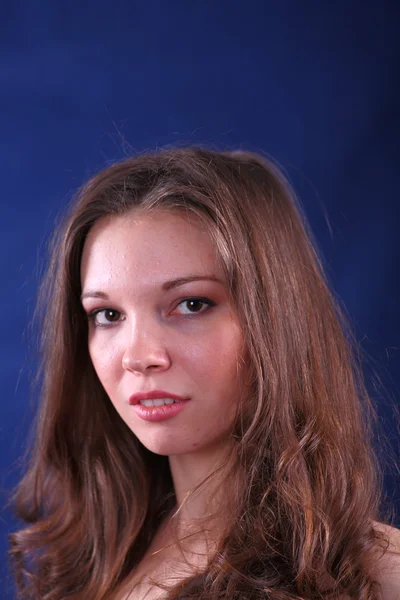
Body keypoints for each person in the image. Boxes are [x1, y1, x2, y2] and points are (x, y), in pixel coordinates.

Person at [9, 147, 400, 599]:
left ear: (274, 320)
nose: (138, 356)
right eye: (108, 315)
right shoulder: (90, 559)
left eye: (192, 304)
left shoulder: (377, 577)